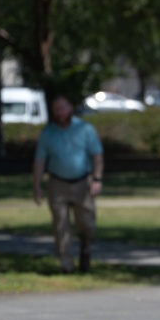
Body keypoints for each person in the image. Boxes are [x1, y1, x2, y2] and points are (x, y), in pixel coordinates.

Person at [32, 94, 104, 274]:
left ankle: (86, 248)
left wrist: (97, 178)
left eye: (63, 108)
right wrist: (37, 185)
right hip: (57, 183)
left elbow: (97, 155)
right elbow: (40, 161)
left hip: (82, 183)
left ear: (70, 109)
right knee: (60, 224)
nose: (60, 112)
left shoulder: (85, 129)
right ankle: (67, 264)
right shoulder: (48, 133)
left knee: (86, 223)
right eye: (57, 109)